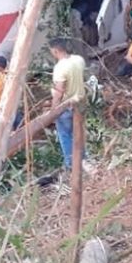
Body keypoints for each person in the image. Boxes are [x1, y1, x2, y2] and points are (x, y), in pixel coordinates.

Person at [47, 38, 89, 171]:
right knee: (79, 132)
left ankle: (72, 164)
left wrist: (54, 110)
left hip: (67, 106)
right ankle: (84, 158)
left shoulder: (60, 67)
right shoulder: (78, 60)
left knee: (65, 135)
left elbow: (59, 91)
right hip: (80, 102)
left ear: (55, 50)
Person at [0, 55, 23, 130]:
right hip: (14, 104)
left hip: (4, 107)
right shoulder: (11, 75)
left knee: (6, 129)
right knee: (18, 126)